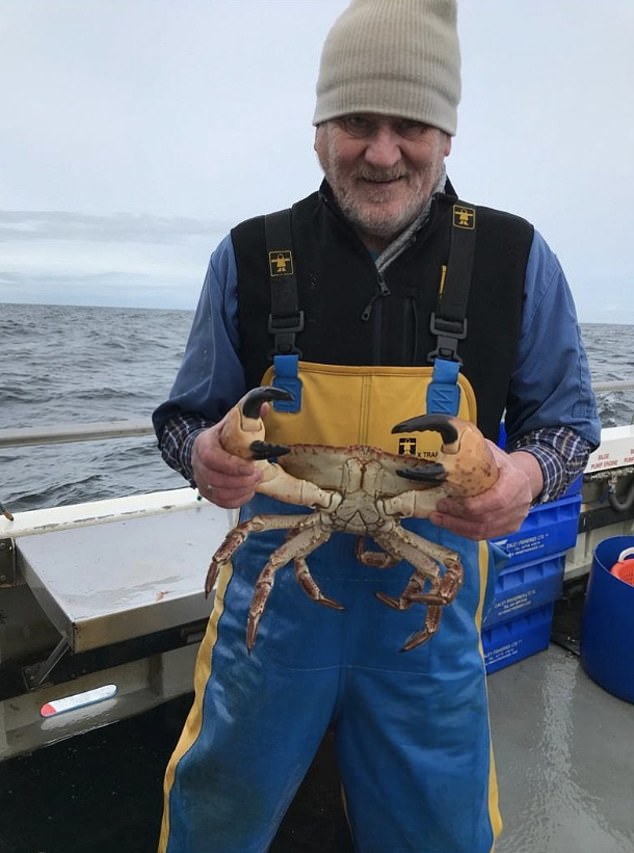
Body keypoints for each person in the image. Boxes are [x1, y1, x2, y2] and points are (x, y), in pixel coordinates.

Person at [152, 1, 600, 850]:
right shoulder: (250, 256)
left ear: (448, 135)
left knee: (440, 832)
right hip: (270, 623)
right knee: (217, 821)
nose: (383, 151)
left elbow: (569, 424)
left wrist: (528, 477)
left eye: (412, 125)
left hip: (424, 633)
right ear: (319, 129)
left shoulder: (517, 259)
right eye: (358, 120)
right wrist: (203, 455)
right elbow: (182, 419)